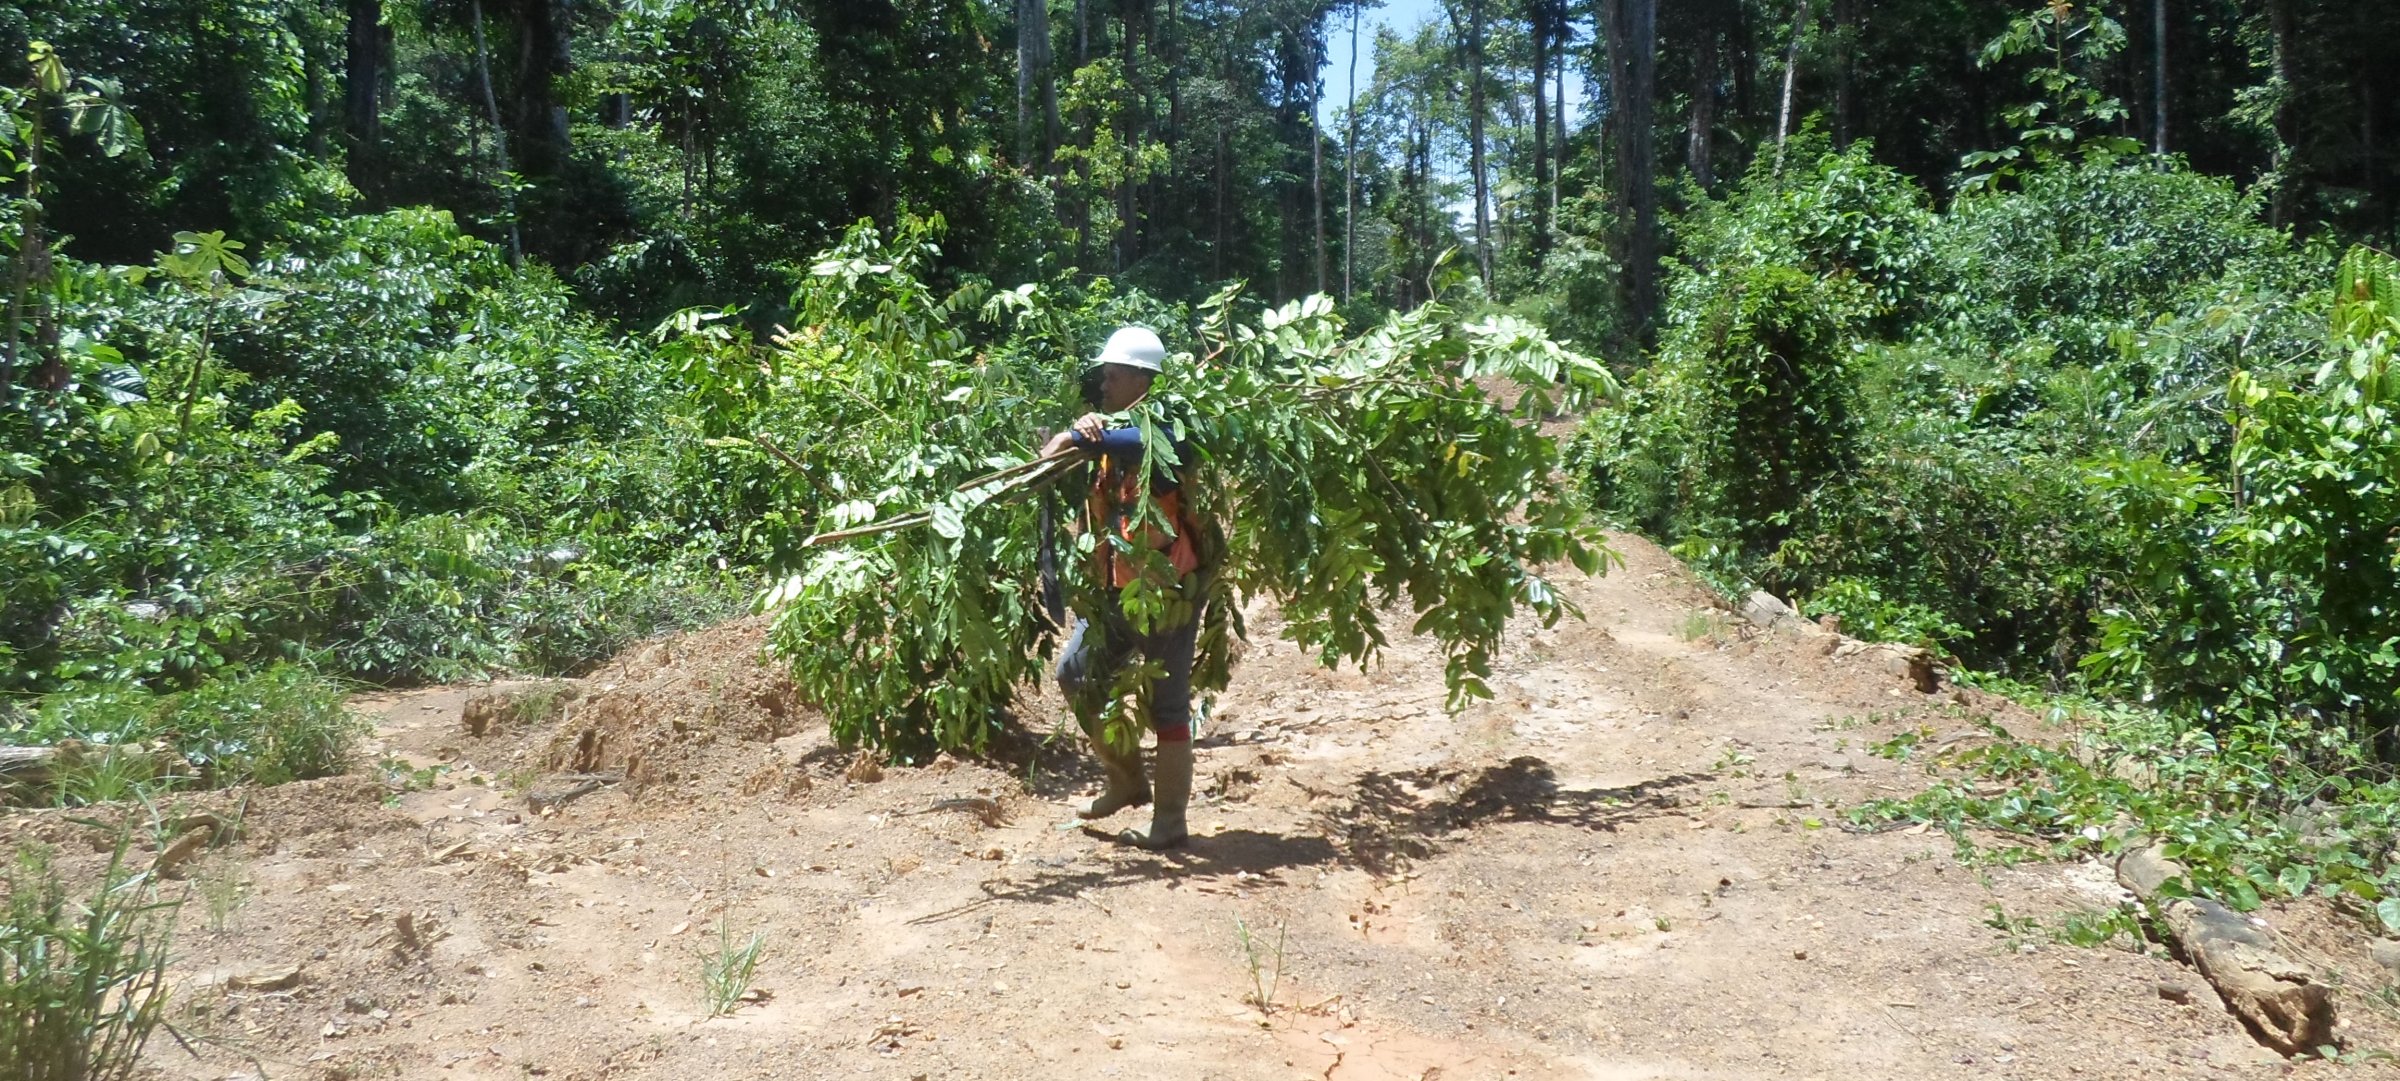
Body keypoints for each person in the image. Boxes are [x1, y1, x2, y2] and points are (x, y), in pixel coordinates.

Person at [1039, 326, 1212, 850]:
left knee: (1168, 705)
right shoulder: (1112, 425)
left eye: (1112, 375)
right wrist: (1083, 430)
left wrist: (1078, 435)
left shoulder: (1174, 422)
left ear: (1141, 378)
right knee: (1075, 674)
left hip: (1166, 587)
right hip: (1114, 586)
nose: (1104, 383)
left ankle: (1170, 821)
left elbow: (1155, 445)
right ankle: (1127, 778)